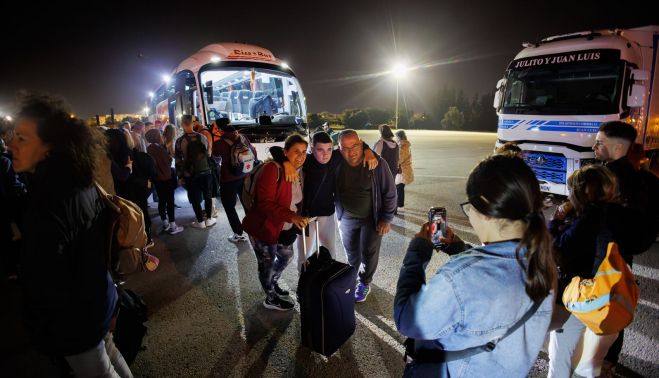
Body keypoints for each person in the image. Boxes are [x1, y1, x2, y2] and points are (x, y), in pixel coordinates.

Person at [394, 154, 556, 377]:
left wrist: (417, 252)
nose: (469, 212)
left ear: (486, 207)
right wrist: (459, 248)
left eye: (470, 205)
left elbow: (406, 319)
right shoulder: (543, 261)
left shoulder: (460, 278)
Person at [8, 94, 132, 377]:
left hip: (74, 321)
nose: (11, 144)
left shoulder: (48, 199)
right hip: (97, 301)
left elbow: (43, 280)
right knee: (110, 353)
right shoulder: (78, 179)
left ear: (49, 146)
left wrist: (40, 326)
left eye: (23, 138)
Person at [547, 164, 636, 378]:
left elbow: (559, 249)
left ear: (583, 191)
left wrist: (555, 222)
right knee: (591, 359)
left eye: (571, 190)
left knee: (559, 356)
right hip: (609, 295)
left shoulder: (590, 216)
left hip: (581, 296)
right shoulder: (619, 212)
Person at [592, 121, 658, 374]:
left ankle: (597, 364)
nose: (595, 146)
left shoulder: (608, 178)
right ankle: (608, 363)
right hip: (623, 257)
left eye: (600, 142)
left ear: (618, 146)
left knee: (599, 310)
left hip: (601, 256)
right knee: (615, 308)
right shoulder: (642, 178)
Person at [271, 131, 378, 271]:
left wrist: (368, 151)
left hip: (327, 215)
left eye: (328, 149)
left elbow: (357, 144)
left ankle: (327, 285)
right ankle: (303, 287)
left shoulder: (336, 157)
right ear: (311, 148)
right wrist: (286, 163)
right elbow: (274, 149)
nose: (325, 154)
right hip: (305, 218)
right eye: (320, 150)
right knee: (304, 256)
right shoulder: (306, 160)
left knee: (331, 253)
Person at [242, 134, 309, 311]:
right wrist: (292, 217)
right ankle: (270, 297)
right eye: (296, 151)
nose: (301, 155)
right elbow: (264, 203)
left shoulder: (297, 170)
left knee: (287, 256)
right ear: (285, 152)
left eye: (304, 151)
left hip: (282, 227)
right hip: (263, 226)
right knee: (267, 262)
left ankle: (272, 282)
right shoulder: (273, 169)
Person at [336, 129, 397, 302]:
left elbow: (390, 193)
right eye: (345, 148)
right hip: (346, 217)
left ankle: (364, 282)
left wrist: (386, 218)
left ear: (361, 143)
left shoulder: (377, 163)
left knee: (369, 252)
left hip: (372, 218)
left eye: (355, 145)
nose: (351, 151)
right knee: (352, 254)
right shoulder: (337, 161)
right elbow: (315, 153)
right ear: (339, 148)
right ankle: (352, 279)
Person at [216, 119, 256, 242]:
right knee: (246, 203)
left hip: (228, 179)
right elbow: (253, 152)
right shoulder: (243, 137)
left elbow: (214, 158)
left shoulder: (220, 143)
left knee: (229, 206)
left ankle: (238, 233)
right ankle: (253, 229)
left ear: (220, 129)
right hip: (245, 175)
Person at [175, 115, 216, 229]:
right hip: (206, 171)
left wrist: (180, 176)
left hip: (190, 173)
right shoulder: (202, 137)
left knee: (195, 198)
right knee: (207, 195)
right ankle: (209, 219)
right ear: (192, 124)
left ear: (182, 124)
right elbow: (208, 154)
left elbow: (178, 160)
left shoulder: (180, 141)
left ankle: (200, 221)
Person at [145, 129, 183, 235]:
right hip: (166, 178)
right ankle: (173, 226)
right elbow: (169, 160)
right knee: (170, 201)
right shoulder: (159, 148)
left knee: (162, 201)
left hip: (157, 179)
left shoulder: (149, 148)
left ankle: (165, 222)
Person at [394, 129, 414, 212]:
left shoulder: (403, 146)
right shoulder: (404, 144)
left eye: (396, 137)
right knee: (399, 187)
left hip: (402, 171)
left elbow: (399, 159)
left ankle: (401, 206)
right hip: (403, 170)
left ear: (399, 137)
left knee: (399, 187)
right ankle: (399, 205)